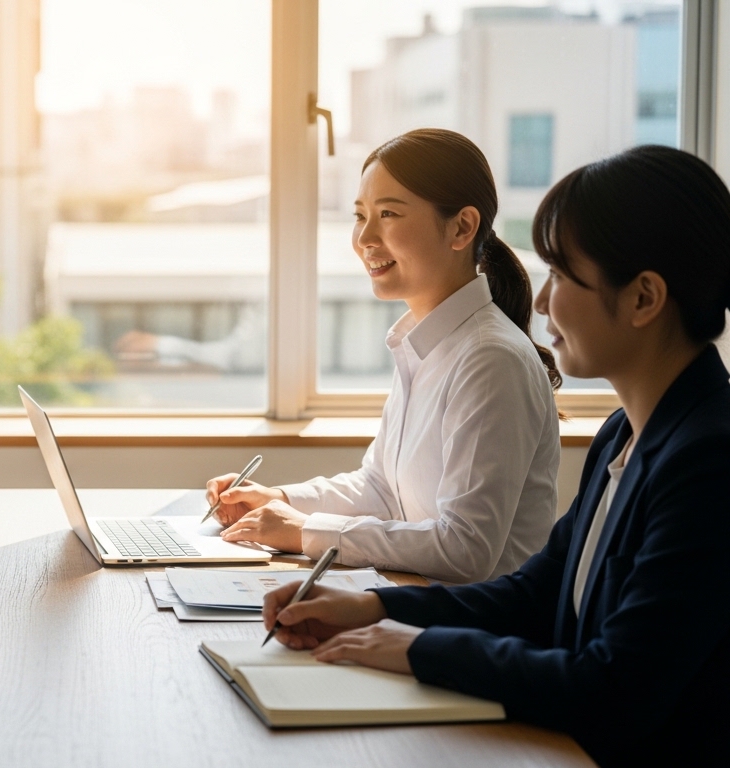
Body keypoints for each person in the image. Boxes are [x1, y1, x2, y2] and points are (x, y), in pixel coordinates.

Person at [260, 145, 730, 765]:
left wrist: (414, 649)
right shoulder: (624, 433)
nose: (538, 303)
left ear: (643, 299)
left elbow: (616, 688)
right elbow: (536, 594)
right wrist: (372, 608)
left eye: (562, 278)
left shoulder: (709, 461)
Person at [206, 129, 560, 583]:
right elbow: (381, 489)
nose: (364, 238)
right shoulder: (424, 343)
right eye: (360, 215)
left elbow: (466, 548)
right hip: (417, 608)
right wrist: (279, 501)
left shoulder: (490, 359)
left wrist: (306, 532)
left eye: (388, 213)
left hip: (471, 631)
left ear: (461, 227)